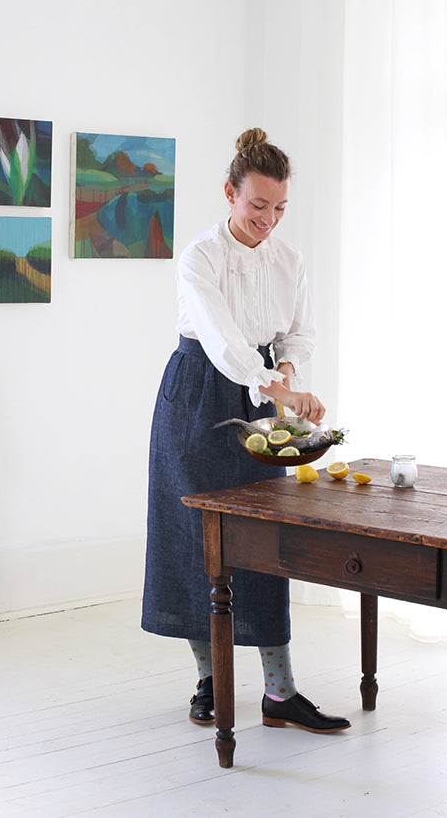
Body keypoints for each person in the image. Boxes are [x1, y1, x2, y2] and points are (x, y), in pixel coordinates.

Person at [141, 128, 350, 734]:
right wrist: (281, 391)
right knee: (196, 541)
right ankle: (209, 681)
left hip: (261, 389)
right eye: (258, 205)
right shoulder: (199, 257)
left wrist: (285, 369)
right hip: (198, 395)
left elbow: (296, 334)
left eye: (280, 208)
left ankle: (279, 693)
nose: (269, 219)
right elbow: (224, 344)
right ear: (230, 193)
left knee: (265, 541)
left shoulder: (290, 259)